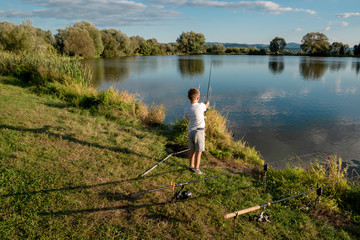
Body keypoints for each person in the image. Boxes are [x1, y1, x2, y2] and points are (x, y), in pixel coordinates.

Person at [184, 88, 209, 175]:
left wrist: (203, 118)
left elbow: (188, 118)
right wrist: (207, 103)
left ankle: (191, 166)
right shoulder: (201, 105)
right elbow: (205, 106)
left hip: (191, 132)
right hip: (199, 132)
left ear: (188, 97)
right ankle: (197, 169)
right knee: (199, 151)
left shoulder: (186, 108)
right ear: (198, 98)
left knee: (192, 150)